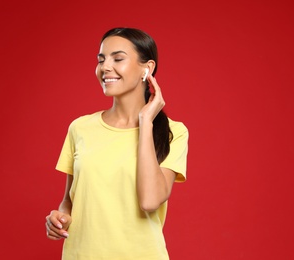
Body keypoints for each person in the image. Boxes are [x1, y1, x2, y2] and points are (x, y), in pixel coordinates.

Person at [45, 27, 189, 260]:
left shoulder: (174, 132)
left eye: (118, 58)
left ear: (147, 68)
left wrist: (145, 122)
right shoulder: (80, 128)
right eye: (101, 60)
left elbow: (150, 200)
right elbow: (69, 200)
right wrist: (60, 218)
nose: (105, 67)